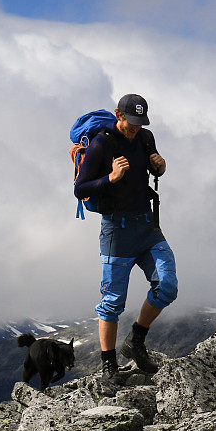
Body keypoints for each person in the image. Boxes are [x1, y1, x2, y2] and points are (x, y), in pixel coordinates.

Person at [73, 93, 178, 382]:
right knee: (113, 302)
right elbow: (80, 189)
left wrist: (160, 166)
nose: (134, 128)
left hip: (147, 227)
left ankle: (135, 340)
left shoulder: (145, 138)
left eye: (139, 123)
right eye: (130, 122)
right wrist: (110, 178)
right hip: (116, 232)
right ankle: (109, 367)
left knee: (167, 286)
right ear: (118, 114)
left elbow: (153, 170)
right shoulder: (101, 144)